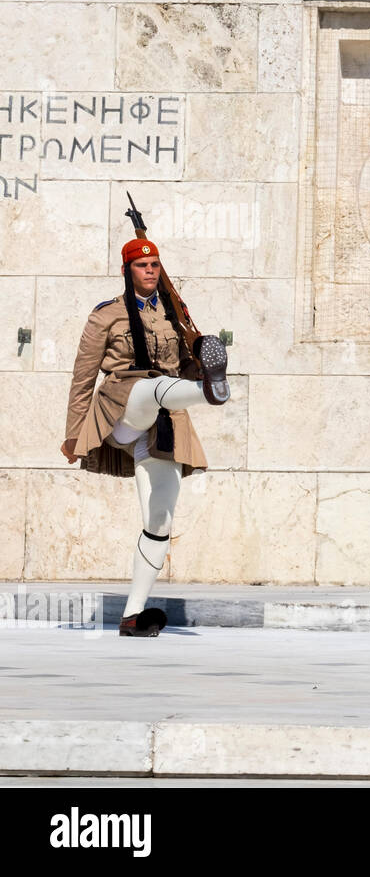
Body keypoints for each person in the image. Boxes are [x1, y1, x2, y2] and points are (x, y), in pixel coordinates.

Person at [61, 237, 229, 637]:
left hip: (165, 418)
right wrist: (73, 435)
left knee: (160, 520)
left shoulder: (174, 315)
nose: (150, 270)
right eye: (142, 265)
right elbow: (83, 379)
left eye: (155, 265)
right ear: (127, 270)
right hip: (123, 404)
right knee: (150, 389)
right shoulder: (106, 316)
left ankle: (133, 616)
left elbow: (184, 365)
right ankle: (212, 392)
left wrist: (198, 366)